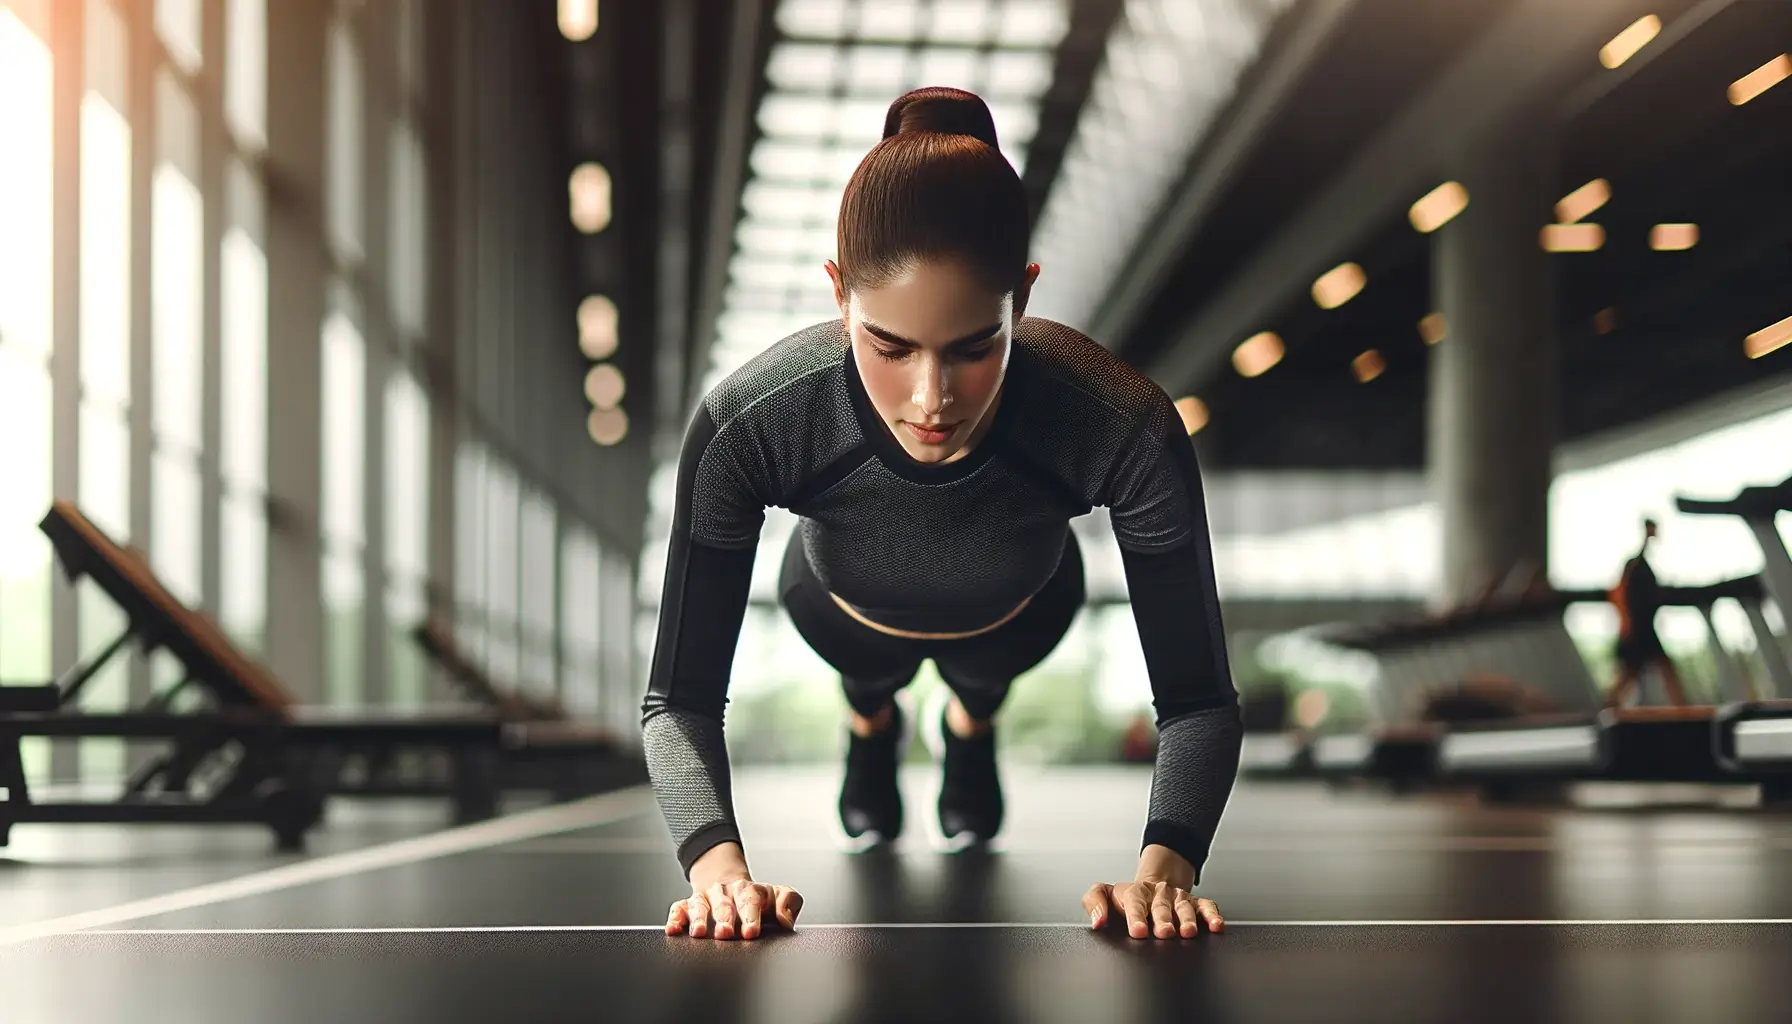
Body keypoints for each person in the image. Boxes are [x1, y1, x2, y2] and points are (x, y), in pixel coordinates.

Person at [640, 86, 1242, 943]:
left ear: (1022, 301)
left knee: (978, 686)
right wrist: (718, 871)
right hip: (841, 616)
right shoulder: (754, 420)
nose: (931, 399)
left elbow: (1197, 699)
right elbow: (678, 699)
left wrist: (1166, 870)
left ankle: (970, 719)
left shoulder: (1121, 422)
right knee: (872, 679)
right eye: (889, 346)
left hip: (1020, 617)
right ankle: (871, 718)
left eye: (973, 347)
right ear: (838, 294)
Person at [1605, 518, 1688, 708]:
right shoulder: (1636, 565)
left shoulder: (1639, 565)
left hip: (1642, 627)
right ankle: (1606, 709)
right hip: (1637, 629)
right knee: (1632, 674)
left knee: (1657, 671)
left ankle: (1682, 709)